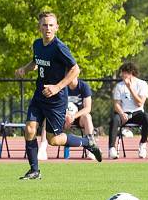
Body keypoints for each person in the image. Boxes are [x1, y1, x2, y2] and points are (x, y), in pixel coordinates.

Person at [15, 12, 102, 179]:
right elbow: (35, 62)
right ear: (39, 27)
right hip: (39, 96)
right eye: (44, 25)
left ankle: (87, 142)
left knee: (53, 140)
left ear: (56, 27)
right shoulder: (37, 44)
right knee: (29, 129)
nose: (47, 28)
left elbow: (75, 69)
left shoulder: (59, 47)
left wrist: (57, 87)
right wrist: (24, 69)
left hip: (56, 100)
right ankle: (34, 170)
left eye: (51, 25)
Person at [37, 72, 96, 160]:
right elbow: (54, 105)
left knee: (88, 117)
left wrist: (73, 116)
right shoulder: (61, 86)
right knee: (48, 117)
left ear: (77, 74)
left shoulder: (84, 86)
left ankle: (92, 148)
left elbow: (88, 108)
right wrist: (64, 115)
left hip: (77, 117)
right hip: (62, 116)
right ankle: (42, 148)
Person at [108, 61, 148, 159]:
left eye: (124, 72)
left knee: (147, 117)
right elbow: (116, 104)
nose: (121, 75)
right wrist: (121, 113)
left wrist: (130, 88)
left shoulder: (142, 84)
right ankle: (112, 149)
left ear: (131, 73)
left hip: (137, 113)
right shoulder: (119, 86)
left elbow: (140, 103)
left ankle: (143, 144)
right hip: (123, 114)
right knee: (115, 119)